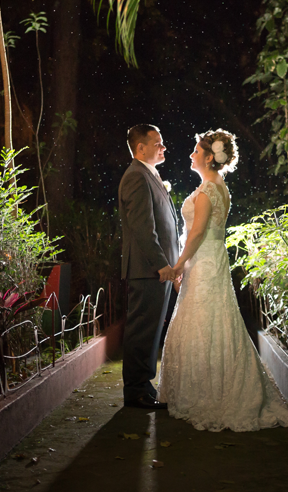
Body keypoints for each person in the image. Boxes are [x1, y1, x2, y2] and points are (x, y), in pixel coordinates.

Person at [158, 129, 288, 431]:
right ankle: (217, 385)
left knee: (202, 322)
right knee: (217, 320)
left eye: (197, 151)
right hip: (212, 260)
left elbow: (197, 234)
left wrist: (178, 266)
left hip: (203, 262)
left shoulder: (208, 191)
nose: (191, 155)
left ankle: (208, 393)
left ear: (210, 157)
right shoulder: (220, 188)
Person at [119, 124, 179, 409]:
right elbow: (143, 227)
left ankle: (144, 386)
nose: (163, 147)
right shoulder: (136, 176)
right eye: (157, 143)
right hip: (147, 270)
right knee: (142, 330)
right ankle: (135, 392)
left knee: (151, 330)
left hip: (158, 269)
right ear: (140, 148)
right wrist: (161, 265)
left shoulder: (150, 174)